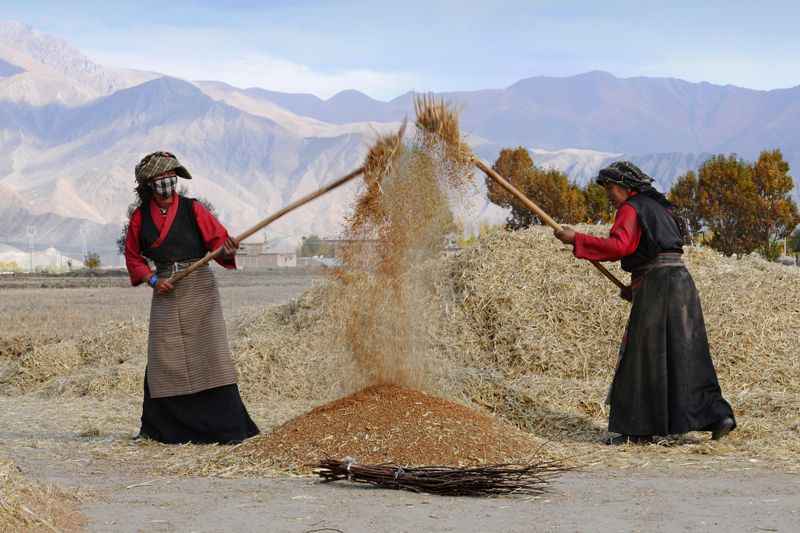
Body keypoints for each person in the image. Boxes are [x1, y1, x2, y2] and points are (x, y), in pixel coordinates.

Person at [553, 161, 735, 445]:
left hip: (660, 285)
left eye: (611, 189)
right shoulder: (661, 208)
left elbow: (620, 246)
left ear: (626, 187)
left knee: (642, 355)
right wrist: (637, 285)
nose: (609, 196)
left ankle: (637, 431)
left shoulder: (632, 208)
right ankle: (717, 415)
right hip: (680, 282)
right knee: (687, 353)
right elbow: (658, 252)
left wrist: (577, 239)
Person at [124, 151, 259, 444]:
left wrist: (228, 248)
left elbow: (219, 243)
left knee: (209, 354)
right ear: (149, 186)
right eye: (160, 180)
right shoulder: (139, 218)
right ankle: (160, 430)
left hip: (199, 288)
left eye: (170, 178)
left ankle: (227, 429)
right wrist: (153, 279)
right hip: (166, 290)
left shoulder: (194, 209)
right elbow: (133, 258)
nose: (167, 185)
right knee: (163, 357)